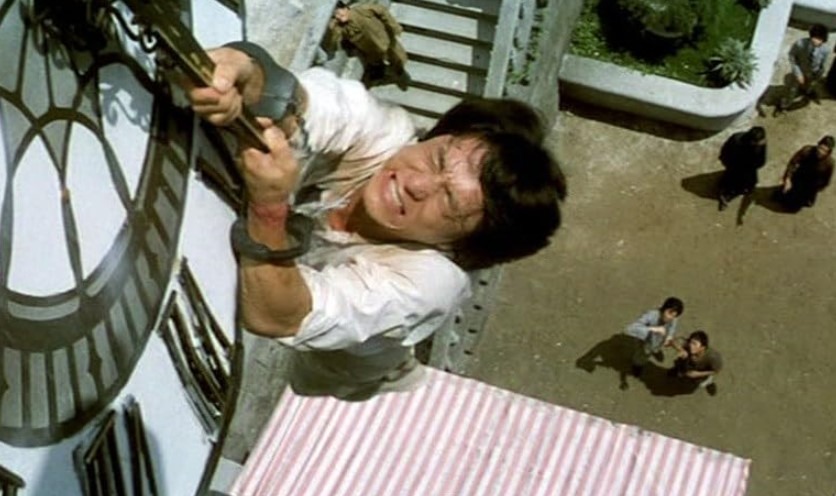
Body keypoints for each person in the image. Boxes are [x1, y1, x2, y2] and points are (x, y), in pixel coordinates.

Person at [187, 43, 566, 400]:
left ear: (456, 246)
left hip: (357, 360)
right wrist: (244, 73)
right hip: (321, 246)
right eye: (436, 159)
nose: (416, 184)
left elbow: (277, 317)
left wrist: (269, 208)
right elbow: (304, 104)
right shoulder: (389, 132)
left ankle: (398, 372)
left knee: (328, 375)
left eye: (449, 202)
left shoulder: (428, 282)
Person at [322, 1, 410, 90]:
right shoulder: (342, 28)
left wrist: (394, 26)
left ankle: (400, 73)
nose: (338, 17)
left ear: (345, 8)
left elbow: (381, 10)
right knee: (376, 64)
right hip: (370, 50)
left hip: (386, 41)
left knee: (398, 58)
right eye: (334, 16)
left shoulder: (362, 11)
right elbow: (334, 43)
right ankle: (381, 75)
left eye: (338, 13)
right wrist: (332, 27)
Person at [776, 23, 830, 114]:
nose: (816, 41)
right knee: (792, 90)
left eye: (819, 39)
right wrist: (798, 73)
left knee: (809, 86)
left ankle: (807, 92)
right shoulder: (800, 44)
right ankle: (783, 105)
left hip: (813, 73)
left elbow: (822, 64)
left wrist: (819, 75)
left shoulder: (825, 50)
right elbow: (792, 57)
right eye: (815, 37)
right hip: (800, 71)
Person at [624, 297, 684, 378]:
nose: (670, 318)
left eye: (674, 315)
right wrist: (653, 329)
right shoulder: (651, 315)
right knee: (640, 357)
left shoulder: (673, 317)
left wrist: (669, 337)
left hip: (658, 341)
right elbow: (629, 329)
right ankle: (637, 367)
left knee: (656, 347)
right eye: (669, 313)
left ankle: (655, 350)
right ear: (664, 308)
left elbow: (672, 327)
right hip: (645, 342)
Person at [776, 135, 835, 211]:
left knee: (798, 205)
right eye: (820, 148)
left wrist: (816, 188)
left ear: (828, 152)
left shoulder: (829, 163)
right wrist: (788, 179)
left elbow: (826, 179)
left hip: (812, 184)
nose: (820, 152)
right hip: (800, 176)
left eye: (824, 150)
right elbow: (793, 163)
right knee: (784, 197)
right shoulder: (807, 151)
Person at [717, 126, 767, 211]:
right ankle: (726, 194)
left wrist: (757, 165)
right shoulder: (737, 140)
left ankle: (745, 187)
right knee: (732, 182)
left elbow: (761, 157)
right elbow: (726, 152)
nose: (763, 142)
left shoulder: (760, 142)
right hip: (736, 165)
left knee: (749, 181)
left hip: (750, 167)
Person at [669, 330, 722, 396]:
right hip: (685, 365)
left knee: (700, 383)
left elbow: (716, 371)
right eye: (690, 342)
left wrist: (697, 374)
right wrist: (681, 350)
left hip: (700, 373)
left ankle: (709, 384)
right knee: (679, 368)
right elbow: (672, 341)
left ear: (702, 347)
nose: (690, 345)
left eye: (694, 344)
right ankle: (677, 371)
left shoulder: (713, 357)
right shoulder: (688, 344)